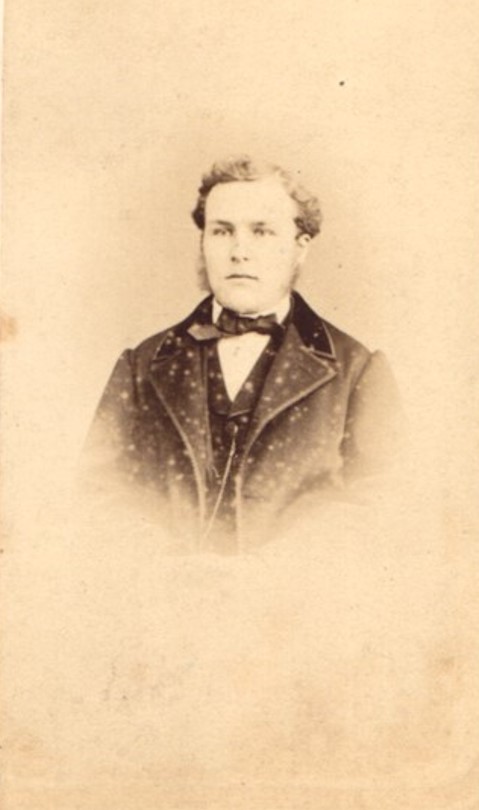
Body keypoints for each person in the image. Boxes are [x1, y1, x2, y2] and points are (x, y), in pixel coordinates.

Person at [83, 156, 403, 553]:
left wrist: (269, 572)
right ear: (203, 243)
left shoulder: (357, 370)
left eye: (262, 231)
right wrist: (171, 565)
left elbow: (383, 505)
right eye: (222, 231)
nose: (239, 251)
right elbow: (95, 496)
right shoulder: (141, 366)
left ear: (300, 247)